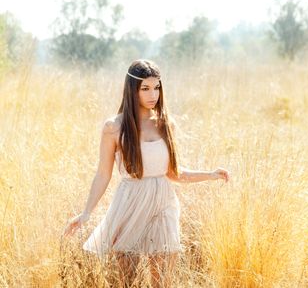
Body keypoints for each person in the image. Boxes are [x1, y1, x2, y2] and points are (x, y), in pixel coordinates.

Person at [63, 59, 230, 287]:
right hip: (129, 205)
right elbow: (103, 174)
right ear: (132, 90)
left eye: (157, 87)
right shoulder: (114, 127)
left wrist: (210, 174)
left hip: (163, 205)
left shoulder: (165, 123)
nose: (153, 94)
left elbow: (174, 173)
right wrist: (86, 213)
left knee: (162, 281)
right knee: (127, 281)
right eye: (145, 88)